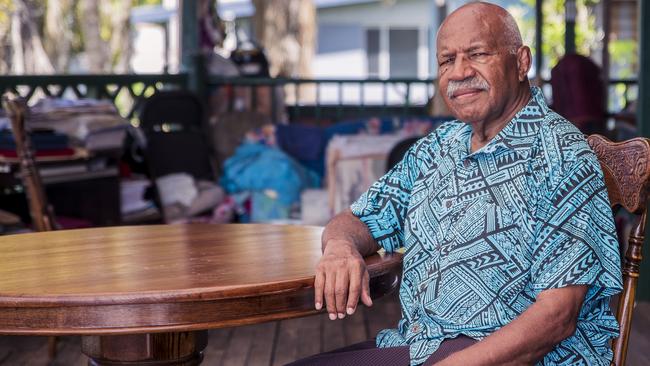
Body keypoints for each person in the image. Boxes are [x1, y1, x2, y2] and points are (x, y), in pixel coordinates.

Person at [291, 2, 622, 366]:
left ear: (521, 62)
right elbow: (359, 218)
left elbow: (557, 318)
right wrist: (339, 247)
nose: (460, 72)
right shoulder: (438, 146)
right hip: (419, 346)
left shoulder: (562, 156)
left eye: (477, 54)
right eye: (447, 61)